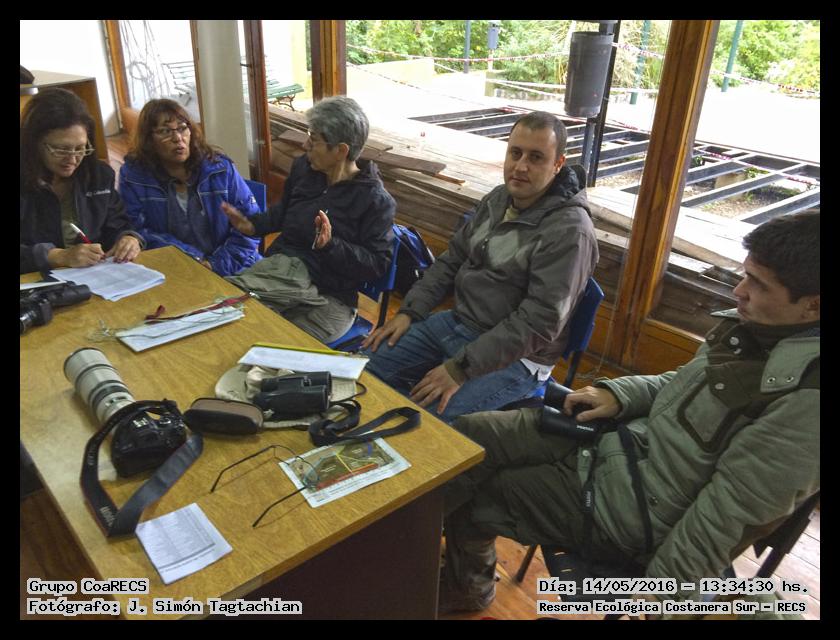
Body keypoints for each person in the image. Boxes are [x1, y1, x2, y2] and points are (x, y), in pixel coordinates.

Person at [439, 211, 820, 615]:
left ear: (813, 305)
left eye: (758, 285)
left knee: (483, 496)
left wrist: (664, 589)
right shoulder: (756, 329)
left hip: (635, 508)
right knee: (472, 437)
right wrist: (620, 394)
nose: (739, 291)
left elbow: (733, 510)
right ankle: (412, 538)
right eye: (745, 276)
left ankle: (465, 585)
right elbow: (684, 381)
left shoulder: (807, 402)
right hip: (617, 446)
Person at [361, 111, 598, 423]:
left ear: (558, 164)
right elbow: (452, 260)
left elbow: (539, 323)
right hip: (459, 323)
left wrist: (460, 368)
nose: (521, 166)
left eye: (536, 157)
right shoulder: (499, 198)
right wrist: (410, 311)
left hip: (519, 357)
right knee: (361, 373)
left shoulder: (570, 231)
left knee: (423, 423)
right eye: (515, 153)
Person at [222, 96, 396, 344]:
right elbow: (284, 211)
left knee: (279, 345)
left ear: (341, 151)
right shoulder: (304, 169)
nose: (305, 145)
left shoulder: (375, 201)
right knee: (229, 321)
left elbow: (376, 265)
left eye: (313, 140)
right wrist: (252, 225)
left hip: (330, 296)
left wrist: (330, 245)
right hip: (282, 273)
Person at [118, 99, 261, 277]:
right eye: (165, 131)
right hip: (175, 269)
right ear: (149, 139)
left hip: (234, 267)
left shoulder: (220, 169)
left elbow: (250, 227)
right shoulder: (134, 176)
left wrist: (214, 265)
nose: (178, 138)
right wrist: (194, 261)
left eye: (182, 128)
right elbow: (136, 230)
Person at [20, 88, 143, 274]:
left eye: (80, 148)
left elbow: (118, 224)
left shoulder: (98, 176)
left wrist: (128, 238)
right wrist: (57, 256)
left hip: (94, 277)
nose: (72, 159)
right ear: (34, 143)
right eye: (61, 149)